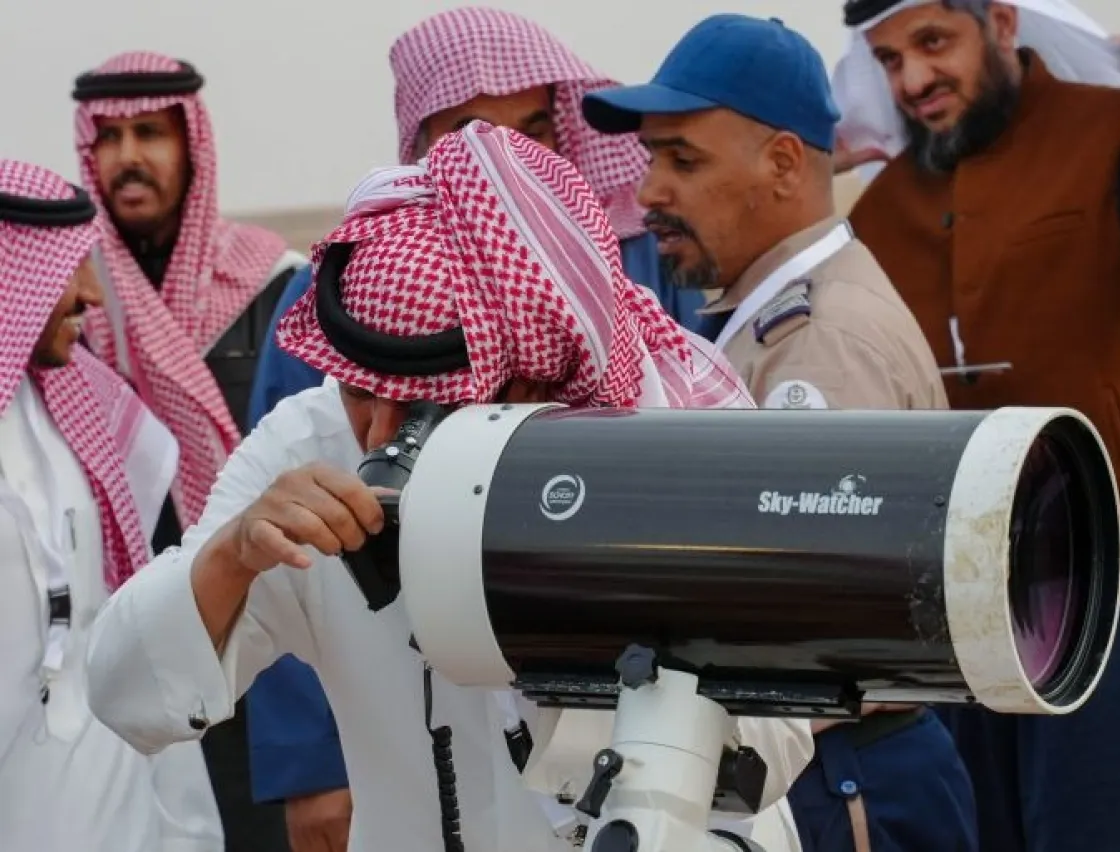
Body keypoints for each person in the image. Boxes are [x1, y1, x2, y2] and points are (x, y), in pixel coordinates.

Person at [84, 121, 811, 852]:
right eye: (358, 391)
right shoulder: (306, 444)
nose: (377, 436)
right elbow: (127, 696)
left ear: (528, 384)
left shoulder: (662, 444)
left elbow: (775, 744)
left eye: (418, 408)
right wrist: (232, 557)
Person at [242, 11, 711, 847]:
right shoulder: (347, 296)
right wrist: (310, 768)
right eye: (470, 131)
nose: (505, 152)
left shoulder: (617, 277)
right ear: (420, 144)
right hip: (394, 701)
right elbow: (283, 533)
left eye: (534, 126)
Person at [835, 1, 1120, 849]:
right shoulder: (883, 206)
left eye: (933, 42)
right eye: (888, 60)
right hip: (959, 615)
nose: (913, 79)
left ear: (1002, 24)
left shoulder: (1117, 133)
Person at [583, 14, 974, 852]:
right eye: (652, 158)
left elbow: (807, 620)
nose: (650, 192)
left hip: (840, 778)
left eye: (683, 160)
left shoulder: (821, 341)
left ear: (785, 163)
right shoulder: (770, 319)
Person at [72, 49, 306, 852]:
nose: (128, 156)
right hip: (118, 652)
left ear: (192, 146)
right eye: (109, 137)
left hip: (256, 642)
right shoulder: (69, 309)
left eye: (150, 133)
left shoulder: (271, 288)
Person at [0, 158, 221, 851]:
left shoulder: (79, 401)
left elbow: (122, 608)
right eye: (68, 268)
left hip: (110, 786)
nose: (92, 293)